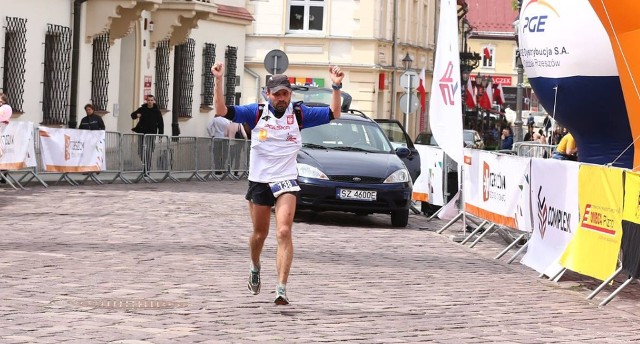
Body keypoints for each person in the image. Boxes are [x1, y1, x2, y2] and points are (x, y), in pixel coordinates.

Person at [211, 61, 344, 305]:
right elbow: (221, 110)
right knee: (260, 234)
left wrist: (336, 87)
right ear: (268, 95)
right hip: (260, 180)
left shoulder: (300, 114)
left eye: (285, 93)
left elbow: (333, 114)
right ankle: (255, 265)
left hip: (286, 180)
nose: (282, 98)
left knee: (283, 231)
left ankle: (281, 288)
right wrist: (219, 80)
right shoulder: (256, 112)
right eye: (277, 94)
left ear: (290, 94)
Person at [130, 95, 164, 171]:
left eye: (151, 100)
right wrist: (137, 115)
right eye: (148, 100)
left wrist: (160, 136)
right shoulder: (142, 109)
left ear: (154, 101)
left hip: (151, 134)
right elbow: (132, 115)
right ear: (146, 101)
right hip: (142, 133)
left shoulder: (157, 111)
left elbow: (161, 124)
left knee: (149, 151)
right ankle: (146, 164)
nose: (150, 102)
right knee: (140, 151)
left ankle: (146, 168)